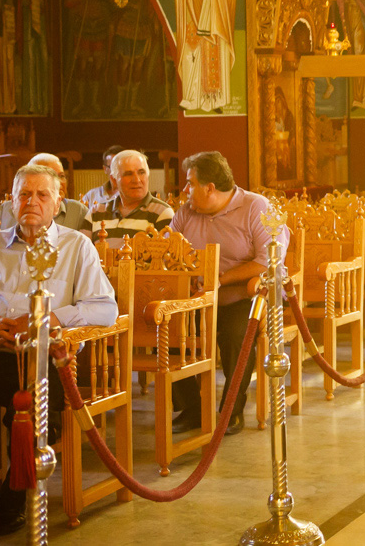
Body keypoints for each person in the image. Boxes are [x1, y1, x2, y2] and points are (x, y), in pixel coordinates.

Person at [0, 164, 116, 534]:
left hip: (45, 358)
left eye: (42, 195)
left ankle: (15, 496)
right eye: (24, 194)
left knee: (30, 403)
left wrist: (45, 319)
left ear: (58, 203)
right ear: (10, 201)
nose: (32, 202)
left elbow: (106, 309)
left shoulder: (77, 247)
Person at [169, 151, 287, 436]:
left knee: (236, 335)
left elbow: (269, 259)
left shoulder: (256, 207)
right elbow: (169, 249)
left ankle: (231, 411)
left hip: (245, 294)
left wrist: (222, 279)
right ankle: (193, 409)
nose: (185, 190)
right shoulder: (187, 211)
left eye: (190, 183)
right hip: (199, 296)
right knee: (169, 330)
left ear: (210, 188)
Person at [0, 153, 92, 238]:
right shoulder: (5, 210)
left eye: (62, 176)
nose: (59, 182)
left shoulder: (78, 211)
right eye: (51, 176)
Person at [89, 150, 174, 246]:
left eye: (141, 173)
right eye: (129, 174)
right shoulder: (96, 212)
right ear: (114, 180)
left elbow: (166, 258)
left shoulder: (162, 213)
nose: (137, 180)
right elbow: (82, 254)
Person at [82, 145, 125, 210]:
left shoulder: (132, 195)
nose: (117, 171)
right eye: (113, 167)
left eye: (121, 166)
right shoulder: (91, 195)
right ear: (105, 169)